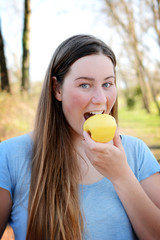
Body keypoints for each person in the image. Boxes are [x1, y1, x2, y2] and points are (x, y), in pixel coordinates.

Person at [0, 34, 160, 240]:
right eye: (85, 85)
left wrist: (122, 176)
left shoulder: (136, 152)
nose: (101, 99)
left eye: (107, 84)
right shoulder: (9, 155)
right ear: (57, 88)